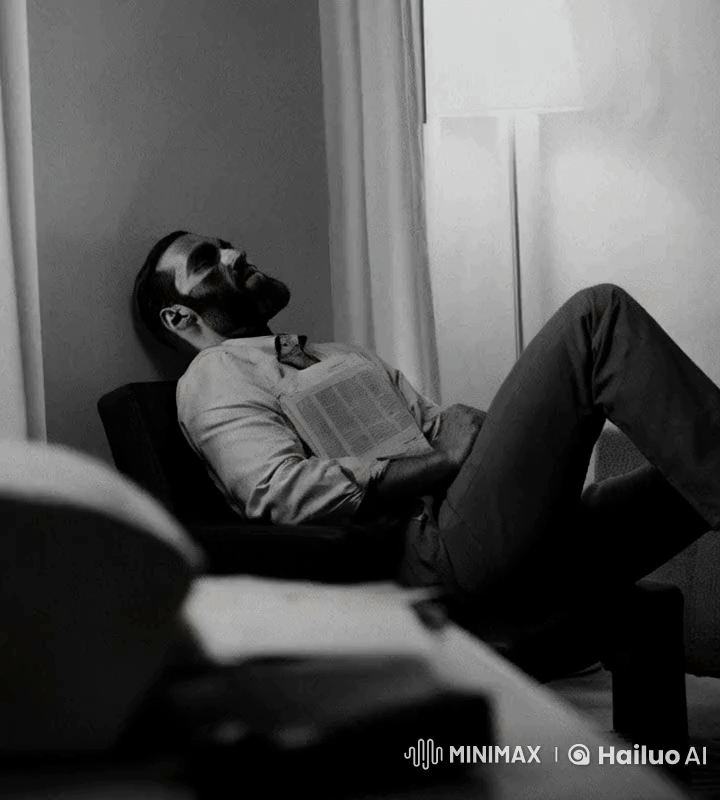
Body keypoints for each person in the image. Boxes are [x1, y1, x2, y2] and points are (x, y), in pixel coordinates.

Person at [133, 230, 718, 664]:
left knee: (684, 476)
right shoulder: (214, 374)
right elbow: (278, 492)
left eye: (225, 245)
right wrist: (446, 458)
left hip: (491, 525)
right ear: (179, 316)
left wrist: (495, 433)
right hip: (433, 552)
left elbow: (441, 432)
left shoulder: (340, 354)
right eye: (207, 260)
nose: (234, 253)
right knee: (597, 316)